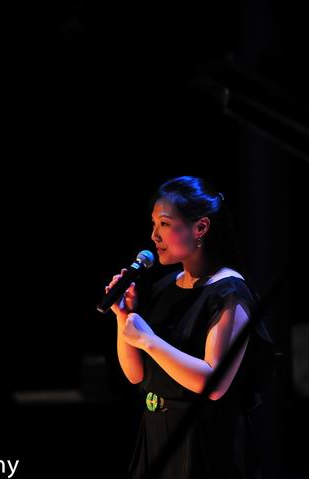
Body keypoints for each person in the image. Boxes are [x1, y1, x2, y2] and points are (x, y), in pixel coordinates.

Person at [104, 176, 275, 479]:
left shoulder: (229, 292)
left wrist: (148, 340)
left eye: (165, 224)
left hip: (203, 442)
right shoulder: (165, 287)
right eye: (154, 224)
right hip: (155, 434)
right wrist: (123, 316)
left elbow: (213, 384)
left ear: (201, 228)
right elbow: (136, 375)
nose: (154, 236)